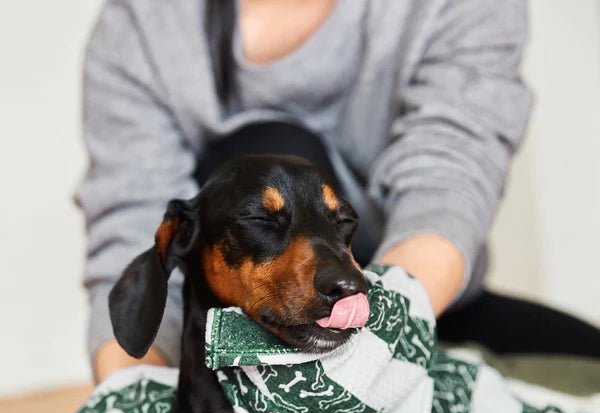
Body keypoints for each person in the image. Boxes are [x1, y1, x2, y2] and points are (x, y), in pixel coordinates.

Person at [79, 0, 600, 383]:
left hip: (410, 292)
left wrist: (380, 333)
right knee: (268, 147)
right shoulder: (142, 27)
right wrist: (132, 393)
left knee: (584, 360)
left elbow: (449, 176)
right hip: (239, 326)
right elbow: (133, 223)